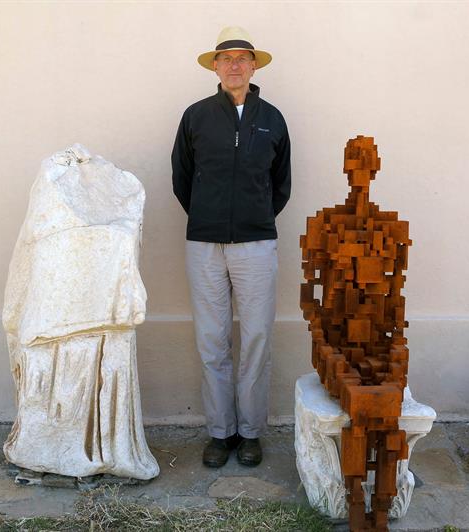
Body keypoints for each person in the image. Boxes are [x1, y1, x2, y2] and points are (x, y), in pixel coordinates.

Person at [171, 26, 291, 468]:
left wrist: (254, 217)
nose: (235, 65)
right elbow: (182, 177)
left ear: (254, 66)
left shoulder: (272, 118)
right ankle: (221, 433)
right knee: (211, 339)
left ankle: (252, 432)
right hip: (204, 244)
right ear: (215, 67)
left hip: (256, 243)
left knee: (257, 337)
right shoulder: (196, 116)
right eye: (227, 59)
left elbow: (281, 183)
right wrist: (207, 215)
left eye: (243, 58)